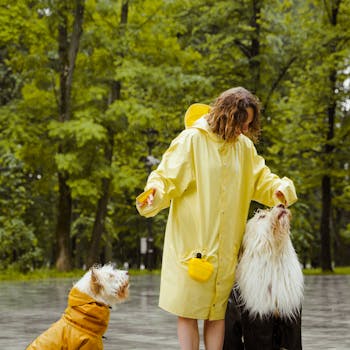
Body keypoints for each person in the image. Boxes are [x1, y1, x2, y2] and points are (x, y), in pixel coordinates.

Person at [136, 87, 297, 350]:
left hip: (225, 249)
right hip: (192, 244)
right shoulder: (192, 140)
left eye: (248, 125)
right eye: (240, 123)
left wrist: (279, 189)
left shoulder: (243, 148)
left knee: (216, 312)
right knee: (187, 311)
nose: (244, 130)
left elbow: (261, 178)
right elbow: (166, 176)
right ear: (226, 115)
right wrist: (153, 193)